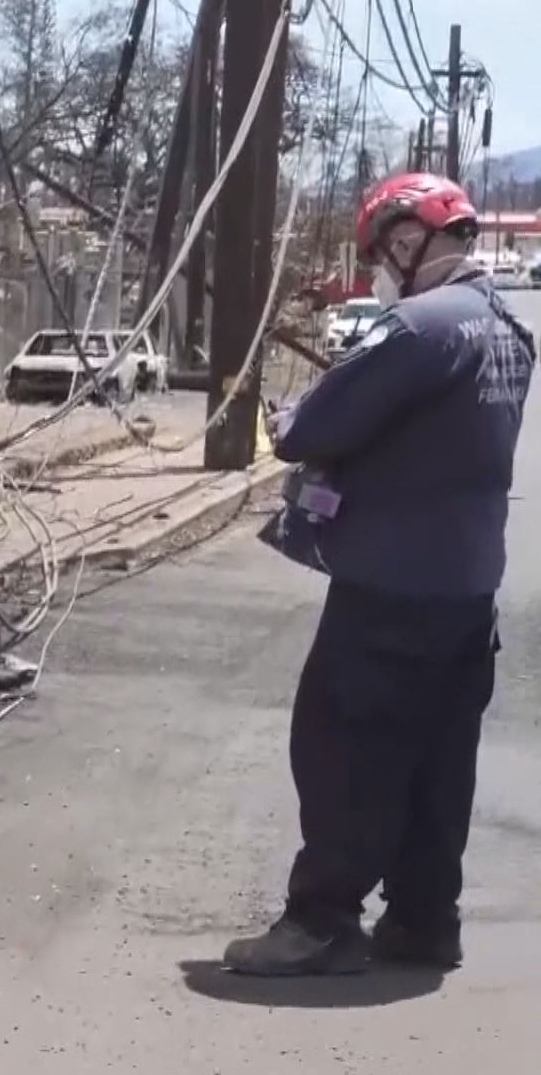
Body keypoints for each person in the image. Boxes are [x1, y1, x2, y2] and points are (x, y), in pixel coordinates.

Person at [228, 173, 536, 976]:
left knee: (343, 749)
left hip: (389, 586)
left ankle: (322, 921)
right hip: (467, 589)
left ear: (409, 240)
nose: (381, 269)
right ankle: (425, 920)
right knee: (439, 759)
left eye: (382, 253)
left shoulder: (421, 327)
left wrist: (291, 419)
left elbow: (315, 427)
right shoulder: (507, 327)